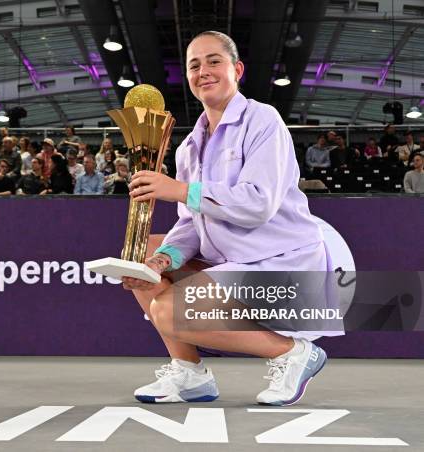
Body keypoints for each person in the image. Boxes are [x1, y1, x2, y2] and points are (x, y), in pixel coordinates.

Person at [122, 31, 338, 406]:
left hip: (283, 268)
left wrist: (179, 189)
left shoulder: (263, 120)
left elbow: (258, 203)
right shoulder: (189, 146)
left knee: (168, 311)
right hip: (233, 265)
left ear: (236, 69)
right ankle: (189, 374)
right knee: (145, 256)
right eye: (194, 65)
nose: (203, 71)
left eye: (213, 61)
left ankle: (292, 352)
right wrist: (165, 259)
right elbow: (190, 223)